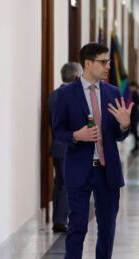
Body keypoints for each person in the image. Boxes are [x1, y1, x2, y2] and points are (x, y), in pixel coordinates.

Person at [53, 42, 134, 259]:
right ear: (88, 63)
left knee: (108, 224)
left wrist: (124, 126)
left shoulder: (112, 93)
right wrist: (76, 135)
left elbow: (120, 136)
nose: (108, 66)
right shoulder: (65, 95)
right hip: (79, 168)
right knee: (77, 224)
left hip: (107, 170)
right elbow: (58, 131)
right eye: (103, 62)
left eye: (108, 61)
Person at [48, 62, 82, 233]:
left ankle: (59, 218)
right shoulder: (72, 96)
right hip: (69, 146)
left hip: (57, 146)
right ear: (76, 77)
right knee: (67, 184)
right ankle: (61, 220)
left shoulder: (53, 95)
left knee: (60, 182)